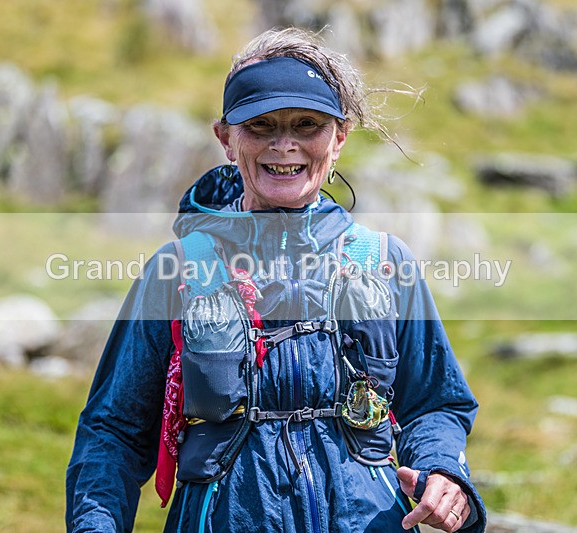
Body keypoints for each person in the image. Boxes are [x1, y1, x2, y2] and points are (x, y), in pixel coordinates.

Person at [66, 28, 486, 533]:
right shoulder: (177, 269)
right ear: (226, 138)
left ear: (340, 137)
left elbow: (437, 402)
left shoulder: (384, 261)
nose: (283, 145)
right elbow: (112, 432)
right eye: (260, 126)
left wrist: (444, 472)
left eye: (307, 125)